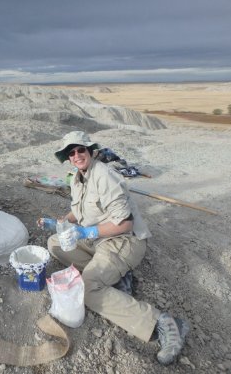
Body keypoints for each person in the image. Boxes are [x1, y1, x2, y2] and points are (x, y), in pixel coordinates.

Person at [38, 131, 189, 365]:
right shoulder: (78, 179)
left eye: (81, 150)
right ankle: (112, 273)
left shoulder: (104, 175)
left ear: (91, 151)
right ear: (68, 158)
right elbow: (78, 212)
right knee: (55, 243)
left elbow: (125, 223)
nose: (77, 155)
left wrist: (87, 232)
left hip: (124, 241)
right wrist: (62, 221)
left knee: (86, 287)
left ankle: (164, 323)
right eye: (72, 152)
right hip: (99, 242)